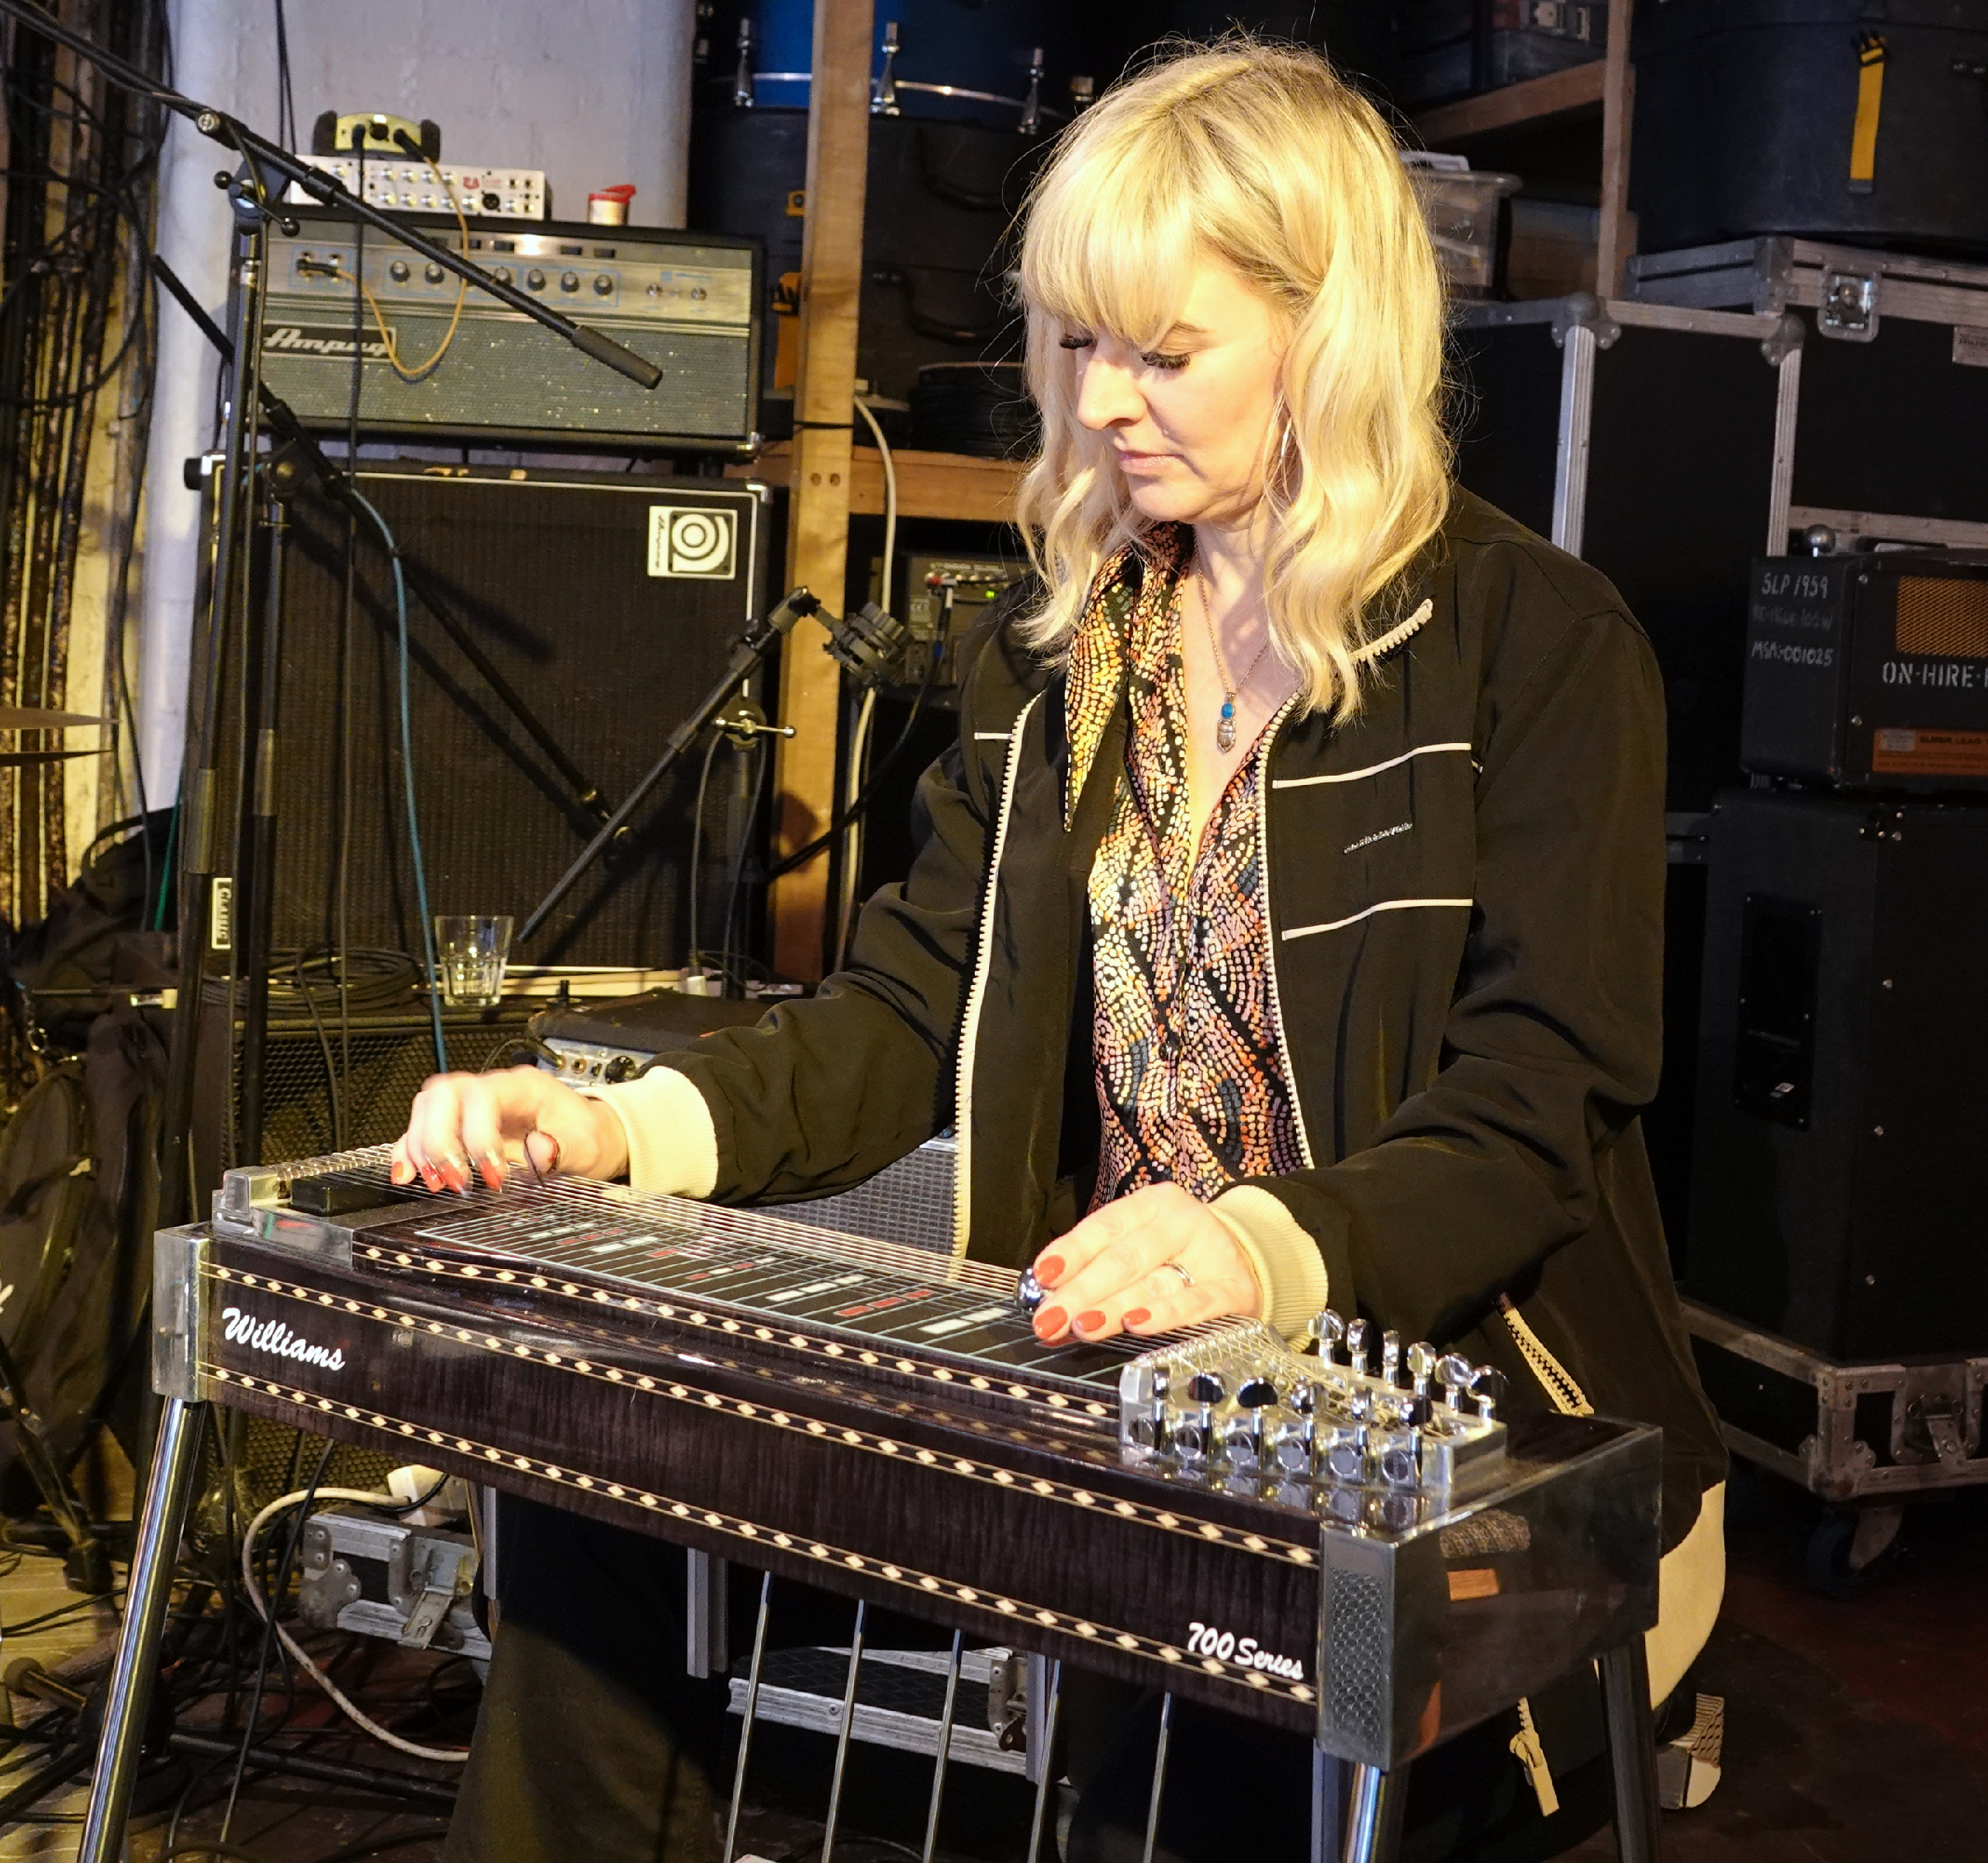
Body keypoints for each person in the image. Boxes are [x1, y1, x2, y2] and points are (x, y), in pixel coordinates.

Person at [397, 40, 1727, 1862]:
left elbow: (1533, 1107)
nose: (1100, 401)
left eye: (1163, 353)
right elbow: (893, 1016)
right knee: (598, 1509)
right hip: (1121, 1400)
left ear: (1327, 332)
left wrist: (1254, 1246)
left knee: (1197, 1787)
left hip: (1464, 1414)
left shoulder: (1535, 643)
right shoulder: (1058, 661)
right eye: (1077, 342)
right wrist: (611, 1125)